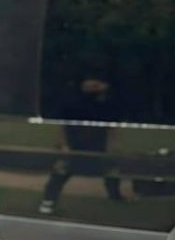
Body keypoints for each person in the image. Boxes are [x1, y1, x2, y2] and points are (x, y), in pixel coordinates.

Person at [38, 75, 126, 215]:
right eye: (91, 85)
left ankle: (115, 196)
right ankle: (48, 202)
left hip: (98, 145)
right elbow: (62, 126)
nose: (94, 88)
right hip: (75, 145)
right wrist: (63, 145)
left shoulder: (107, 105)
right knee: (60, 172)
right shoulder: (73, 103)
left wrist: (113, 146)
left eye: (97, 85)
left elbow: (112, 128)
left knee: (112, 170)